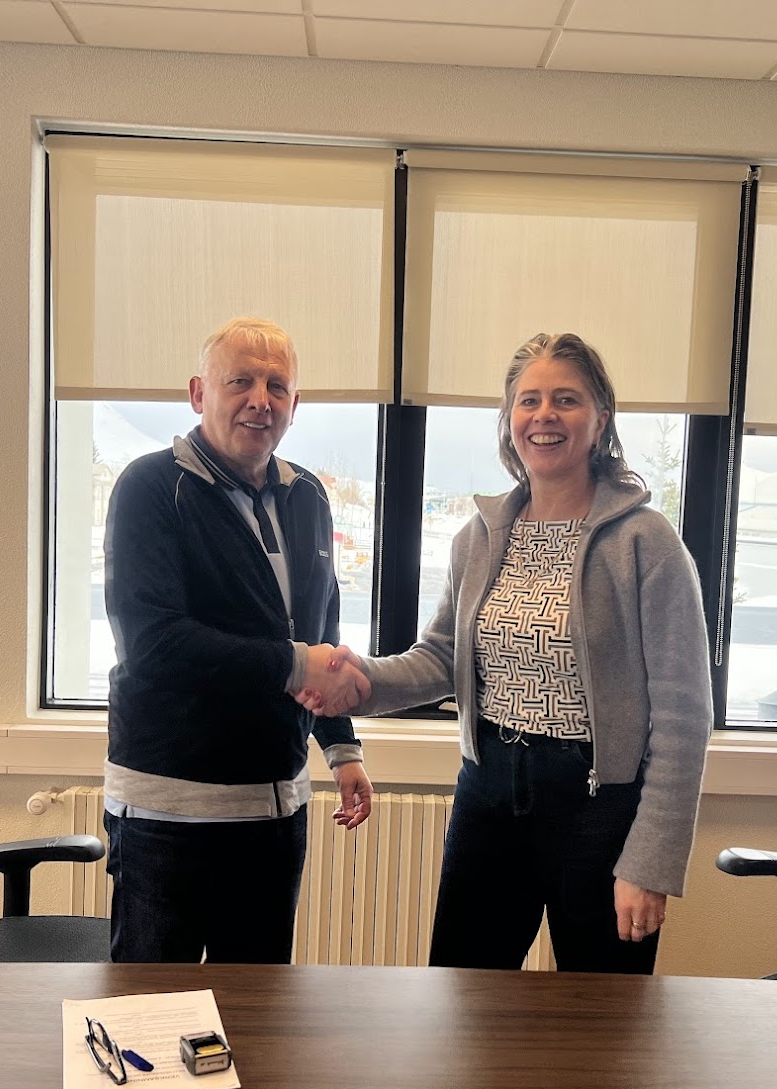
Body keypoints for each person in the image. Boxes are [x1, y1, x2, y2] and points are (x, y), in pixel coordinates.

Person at [302, 332, 712, 974]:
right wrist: (362, 681)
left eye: (566, 399)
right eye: (529, 400)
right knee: (463, 1004)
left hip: (600, 812)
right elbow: (442, 658)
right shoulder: (480, 536)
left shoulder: (646, 542)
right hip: (489, 795)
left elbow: (684, 718)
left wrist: (649, 863)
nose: (545, 415)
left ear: (601, 418)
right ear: (509, 419)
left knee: (603, 1018)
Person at [103, 316, 374, 964]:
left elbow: (320, 631)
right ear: (199, 393)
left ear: (295, 404)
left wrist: (341, 747)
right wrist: (294, 664)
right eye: (240, 382)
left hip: (276, 812)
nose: (260, 400)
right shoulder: (150, 488)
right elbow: (154, 643)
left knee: (258, 1011)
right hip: (169, 815)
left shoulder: (308, 495)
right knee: (153, 1010)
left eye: (277, 386)